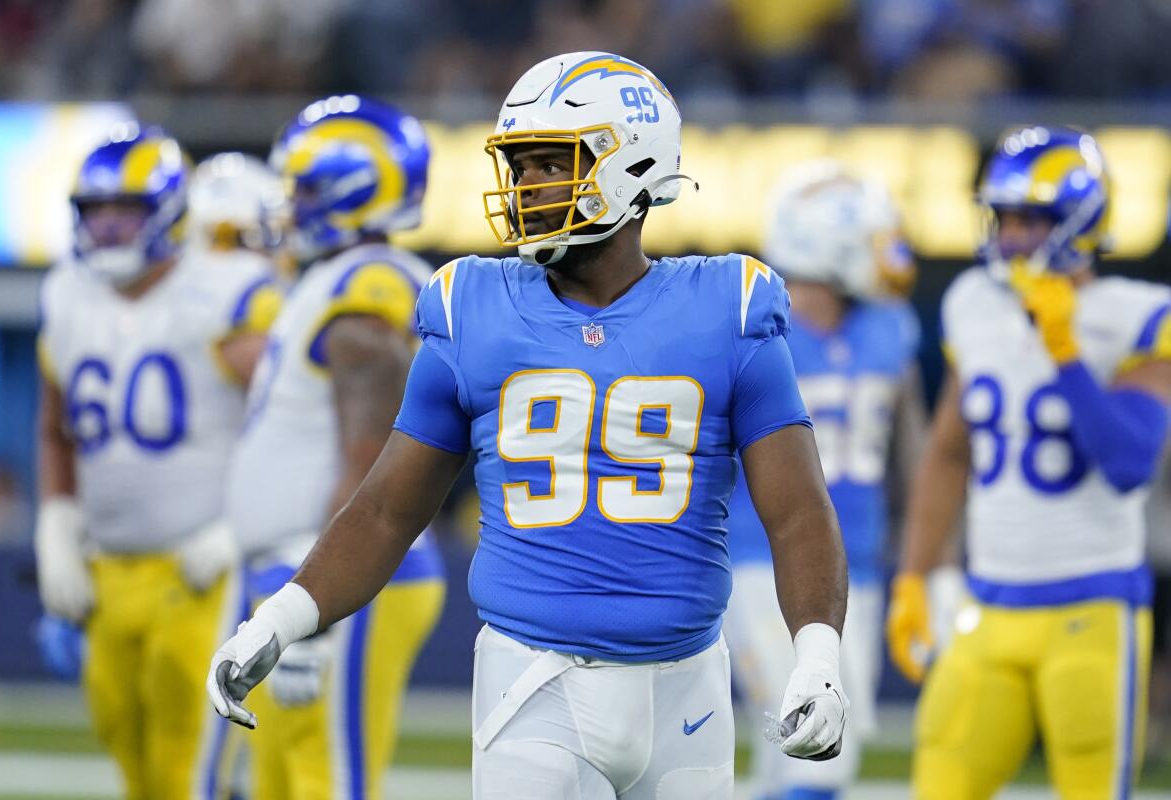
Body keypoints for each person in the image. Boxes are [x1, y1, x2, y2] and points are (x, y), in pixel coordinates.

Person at [208, 52, 850, 799]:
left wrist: (818, 655)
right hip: (531, 681)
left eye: (552, 163)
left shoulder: (728, 307)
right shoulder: (470, 306)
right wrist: (282, 618)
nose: (527, 188)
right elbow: (388, 510)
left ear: (631, 165)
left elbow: (798, 510)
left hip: (688, 695)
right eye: (521, 166)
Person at [887, 126, 1171, 799]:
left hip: (1094, 608)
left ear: (1078, 220)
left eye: (1031, 218)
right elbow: (949, 452)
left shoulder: (1138, 316)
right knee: (941, 780)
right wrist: (913, 577)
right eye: (1005, 216)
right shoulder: (972, 305)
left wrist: (1066, 351)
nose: (1012, 234)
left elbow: (1129, 461)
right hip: (990, 602)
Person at [35, 124, 281, 799]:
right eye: (96, 211)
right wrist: (55, 527)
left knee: (188, 773)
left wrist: (240, 528)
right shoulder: (65, 294)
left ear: (170, 213)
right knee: (138, 774)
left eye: (126, 211)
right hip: (107, 572)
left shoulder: (224, 290)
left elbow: (293, 423)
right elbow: (54, 430)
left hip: (201, 573)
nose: (109, 228)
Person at [223, 96, 445, 800]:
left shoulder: (366, 283)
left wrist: (313, 613)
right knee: (287, 782)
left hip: (339, 573)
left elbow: (370, 458)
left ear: (354, 190)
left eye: (305, 188)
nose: (289, 205)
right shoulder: (327, 280)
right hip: (306, 569)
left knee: (329, 783)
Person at [723, 162, 926, 800]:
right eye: (871, 235)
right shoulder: (757, 330)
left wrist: (927, 559)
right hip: (763, 561)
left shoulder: (890, 325)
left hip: (856, 567)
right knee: (816, 753)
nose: (886, 249)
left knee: (806, 752)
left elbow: (913, 448)